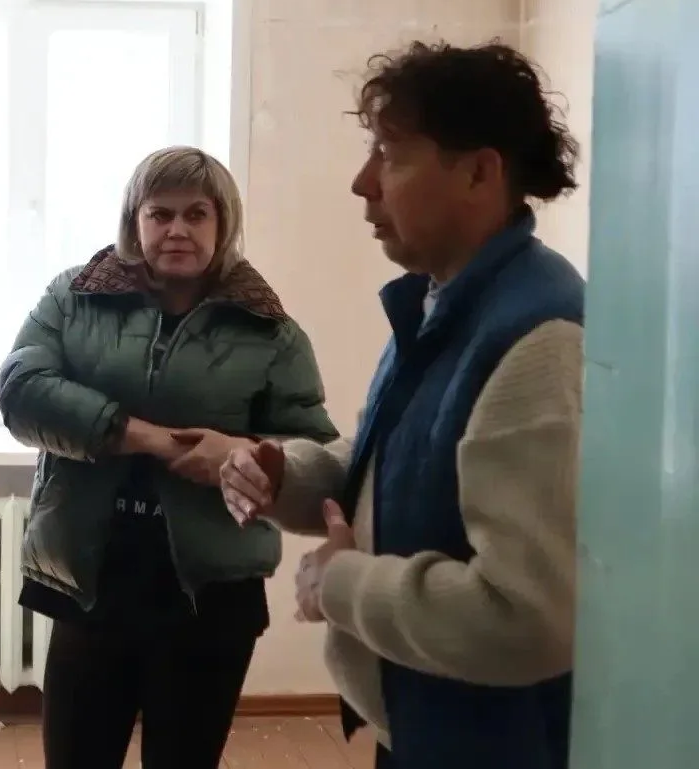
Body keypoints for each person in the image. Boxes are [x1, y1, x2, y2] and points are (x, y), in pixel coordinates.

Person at [221, 41, 582, 769]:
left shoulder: (537, 340)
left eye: (388, 154)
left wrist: (340, 582)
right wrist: (285, 475)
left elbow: (526, 619)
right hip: (424, 727)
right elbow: (393, 464)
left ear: (479, 172)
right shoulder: (442, 302)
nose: (362, 183)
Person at [0, 145, 339, 769]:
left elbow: (317, 454)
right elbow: (21, 391)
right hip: (91, 576)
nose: (177, 229)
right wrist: (147, 437)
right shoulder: (74, 298)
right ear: (135, 221)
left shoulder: (271, 330)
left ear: (223, 223)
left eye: (196, 213)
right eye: (160, 213)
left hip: (212, 593)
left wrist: (241, 454)